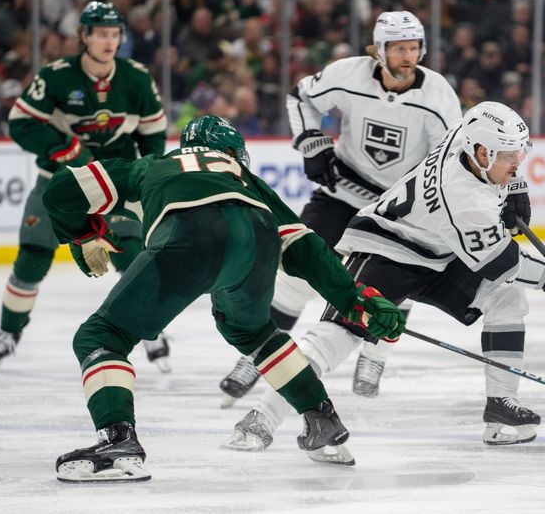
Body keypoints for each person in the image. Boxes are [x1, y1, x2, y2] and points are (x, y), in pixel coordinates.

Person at [224, 101, 545, 452]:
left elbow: (486, 142)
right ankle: (261, 418)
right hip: (385, 248)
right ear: (483, 153)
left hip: (439, 248)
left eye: (520, 155)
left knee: (506, 299)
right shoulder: (465, 198)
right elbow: (503, 263)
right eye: (510, 158)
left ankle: (500, 408)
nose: (517, 163)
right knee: (338, 336)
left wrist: (514, 185)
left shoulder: (465, 134)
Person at [42, 115, 406, 482]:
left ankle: (117, 440)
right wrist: (353, 301)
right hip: (258, 236)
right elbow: (304, 247)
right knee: (256, 333)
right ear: (232, 153)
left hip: (189, 233)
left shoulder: (154, 164)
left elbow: (60, 190)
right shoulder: (246, 179)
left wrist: (85, 233)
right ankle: (322, 420)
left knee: (101, 336)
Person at [218, 10, 461, 407]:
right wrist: (312, 141)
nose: (408, 56)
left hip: (397, 208)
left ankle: (376, 352)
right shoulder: (348, 74)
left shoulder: (438, 98)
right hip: (342, 191)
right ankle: (256, 354)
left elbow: (451, 157)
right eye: (399, 48)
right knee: (297, 270)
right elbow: (300, 96)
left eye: (414, 48)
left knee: (399, 279)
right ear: (379, 50)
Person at [0, 2, 170, 372]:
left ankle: (150, 328)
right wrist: (62, 148)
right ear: (83, 36)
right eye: (101, 33)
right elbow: (21, 123)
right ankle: (8, 333)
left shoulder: (136, 78)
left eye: (115, 34)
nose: (109, 40)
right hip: (59, 184)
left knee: (132, 257)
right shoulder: (56, 77)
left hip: (115, 184)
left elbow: (153, 136)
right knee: (31, 258)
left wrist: (146, 180)